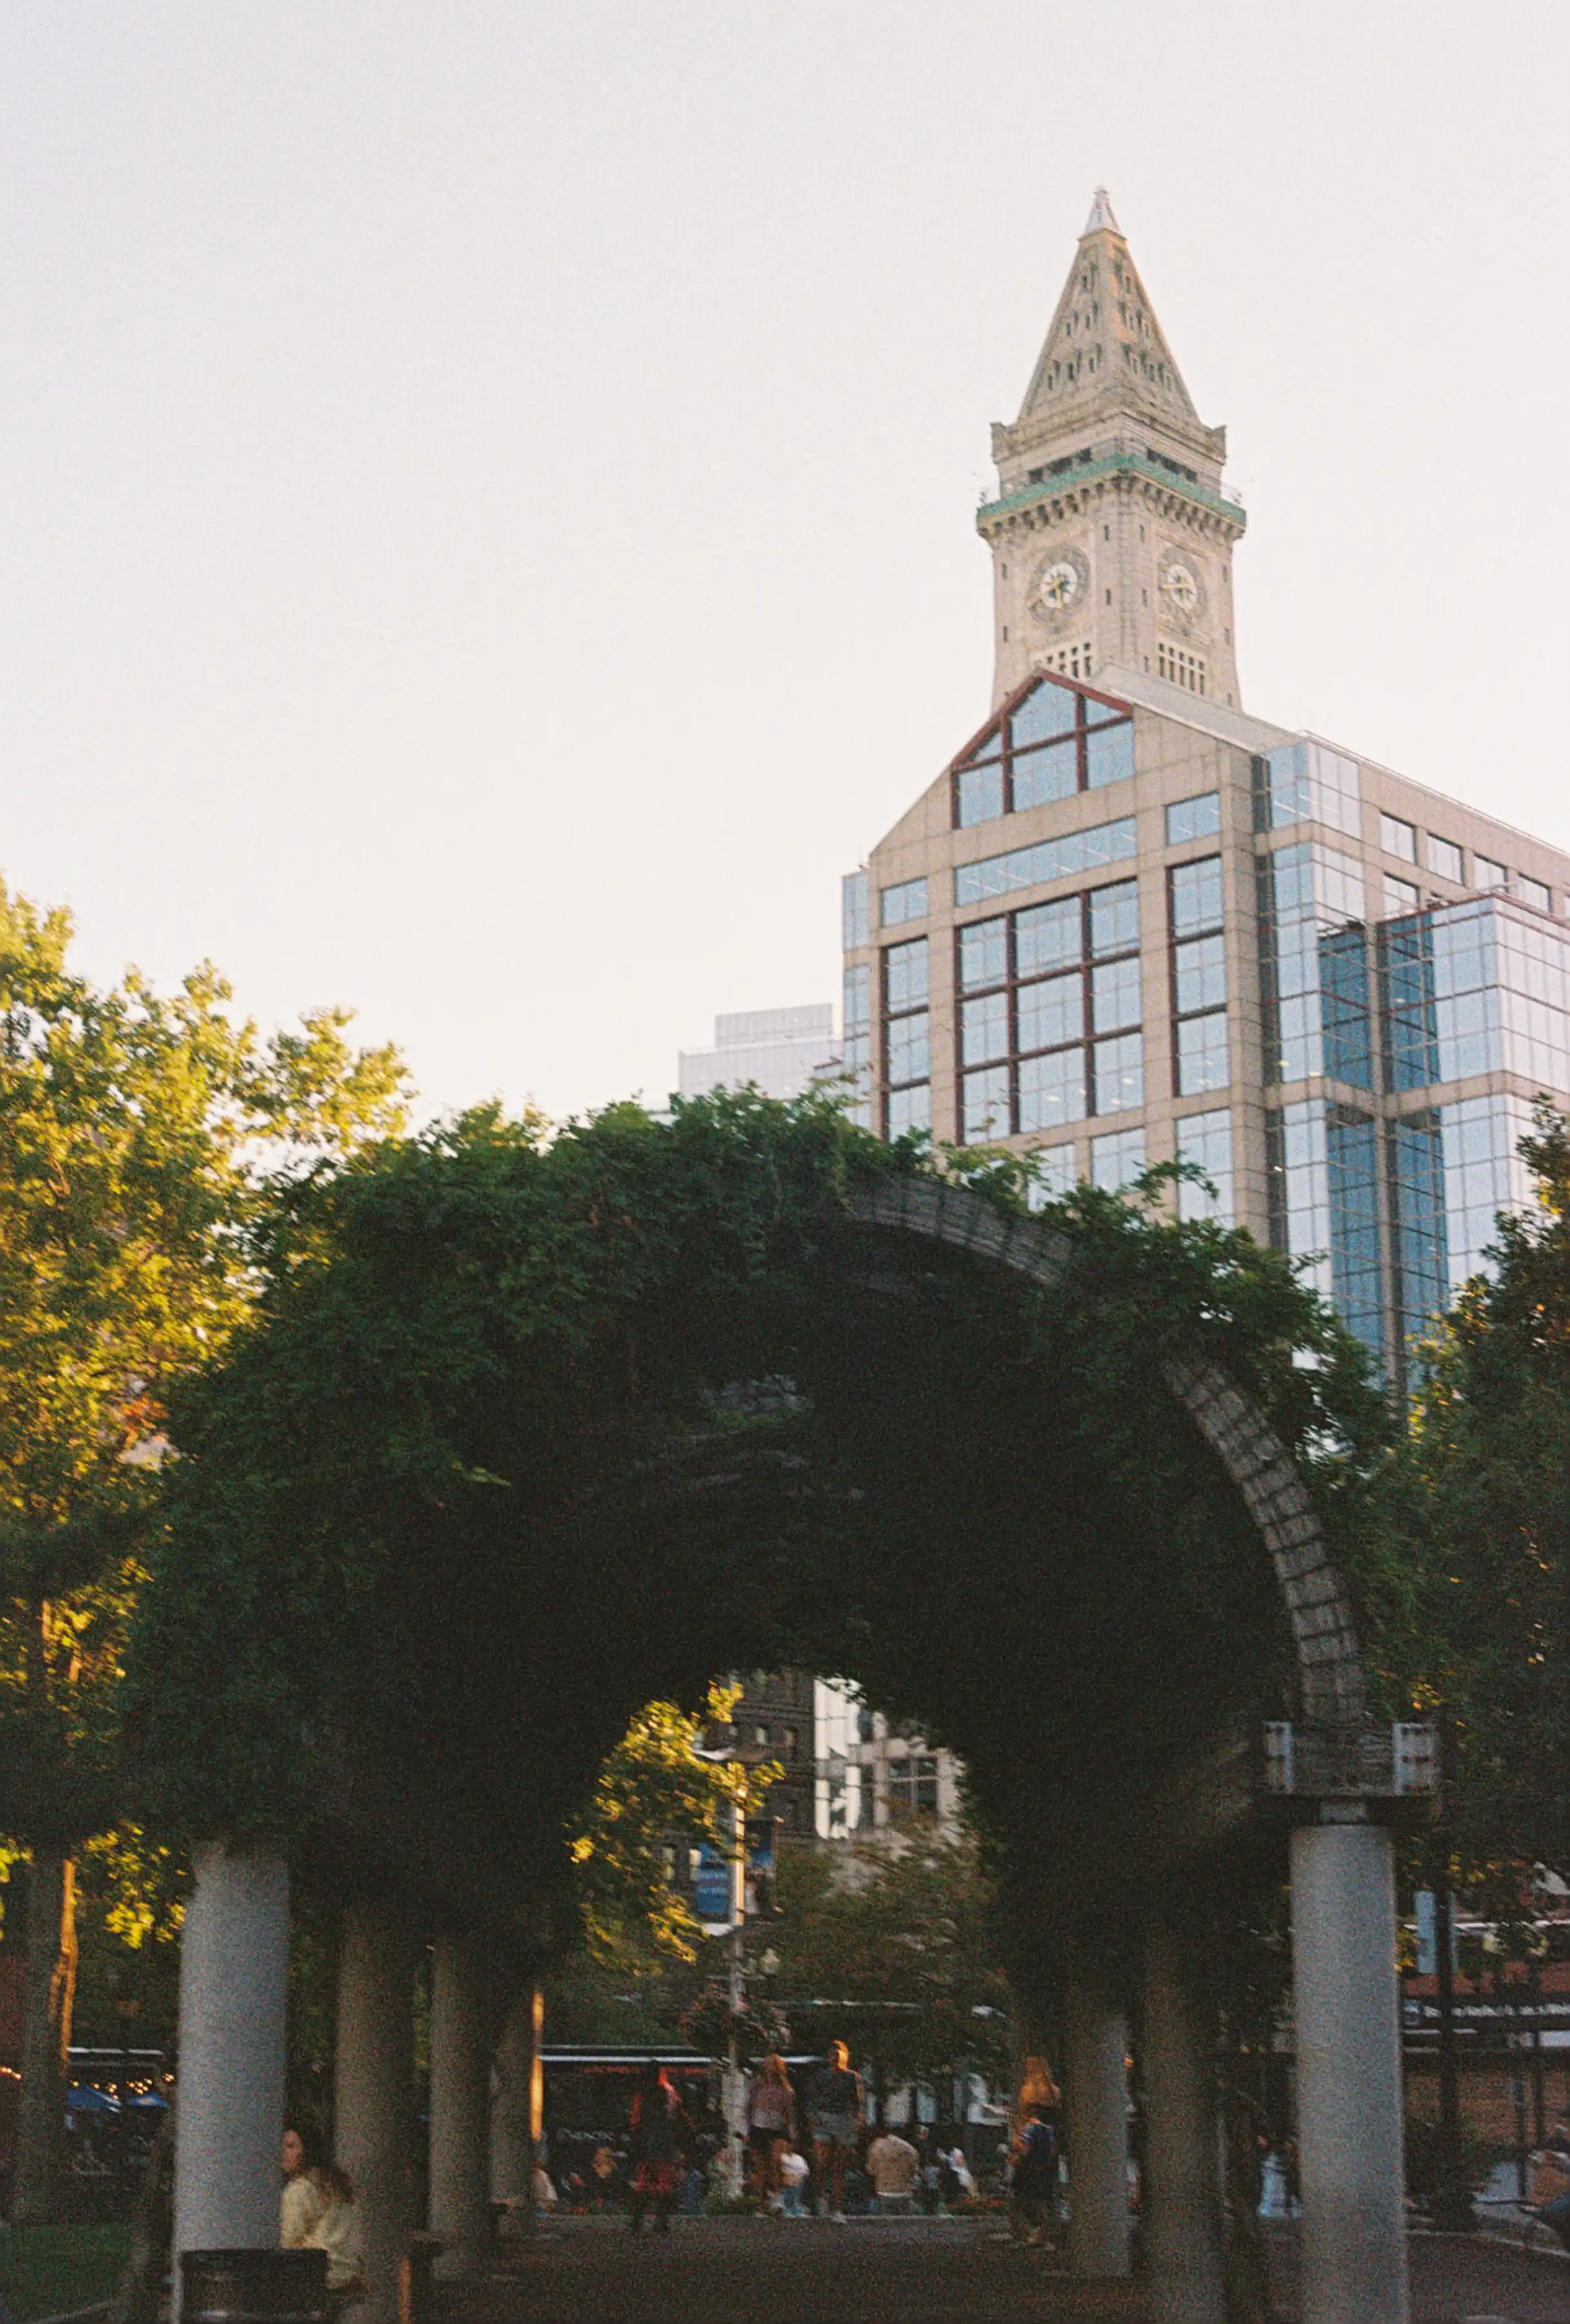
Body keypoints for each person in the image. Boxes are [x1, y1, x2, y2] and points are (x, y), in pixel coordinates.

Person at [281, 2127, 362, 2307]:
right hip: (346, 2274)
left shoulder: (299, 2189)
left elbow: (287, 2240)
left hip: (315, 2276)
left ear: (307, 2151)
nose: (283, 2153)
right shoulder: (340, 2185)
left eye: (291, 2146)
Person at [627, 2061, 689, 2234]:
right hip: (664, 2143)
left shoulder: (642, 2094)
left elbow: (635, 2120)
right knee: (664, 2184)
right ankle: (661, 2221)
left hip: (646, 2143)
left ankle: (637, 2220)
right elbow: (677, 2117)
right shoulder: (669, 2092)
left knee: (644, 2182)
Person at [806, 2041, 865, 2222]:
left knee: (839, 2166)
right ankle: (821, 2195)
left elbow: (858, 2101)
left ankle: (837, 2208)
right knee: (822, 2161)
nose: (835, 2057)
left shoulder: (852, 2077)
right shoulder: (820, 2076)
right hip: (824, 2117)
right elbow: (812, 2097)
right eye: (832, 2054)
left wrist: (858, 2119)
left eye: (838, 2054)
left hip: (844, 2119)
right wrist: (812, 2116)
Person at [743, 2054, 798, 2213]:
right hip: (758, 2126)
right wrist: (745, 2130)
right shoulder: (755, 2087)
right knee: (760, 2167)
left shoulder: (785, 2090)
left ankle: (778, 2197)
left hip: (777, 2128)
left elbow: (790, 2114)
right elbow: (747, 2108)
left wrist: (792, 2136)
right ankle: (760, 2204)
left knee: (775, 2162)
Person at [1009, 2103, 1059, 2247]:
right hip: (1044, 2172)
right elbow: (1052, 2151)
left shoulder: (1030, 2129)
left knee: (1019, 2202)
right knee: (1041, 2203)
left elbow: (1024, 2150)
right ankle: (1042, 2235)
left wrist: (1014, 2153)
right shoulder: (1049, 2130)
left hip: (1027, 2171)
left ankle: (1024, 2235)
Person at [865, 2125, 920, 2215]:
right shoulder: (908, 2150)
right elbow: (914, 2166)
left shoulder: (876, 2147)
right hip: (904, 2194)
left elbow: (871, 2170)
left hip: (883, 2193)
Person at [779, 2146, 810, 2218]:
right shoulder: (781, 2157)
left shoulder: (799, 2159)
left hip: (797, 2178)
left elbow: (805, 2171)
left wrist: (797, 2177)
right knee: (789, 2182)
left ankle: (796, 2208)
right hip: (785, 2176)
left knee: (798, 2182)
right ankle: (786, 2208)